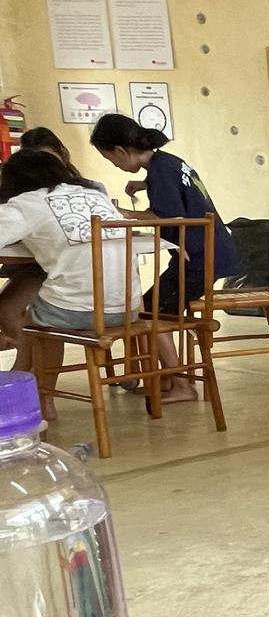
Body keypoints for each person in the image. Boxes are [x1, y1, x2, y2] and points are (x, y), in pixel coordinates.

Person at [90, 114, 243, 402]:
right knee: (151, 308)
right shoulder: (167, 162)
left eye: (111, 160)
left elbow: (169, 217)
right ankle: (168, 377)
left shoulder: (160, 171)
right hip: (211, 251)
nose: (115, 165)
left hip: (199, 258)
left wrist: (127, 214)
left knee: (150, 313)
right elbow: (179, 190)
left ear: (121, 151)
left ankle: (181, 384)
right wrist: (144, 184)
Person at [0, 150, 130, 417]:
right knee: (41, 310)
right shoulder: (96, 196)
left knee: (37, 322)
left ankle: (41, 398)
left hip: (80, 311)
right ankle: (27, 383)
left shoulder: (27, 203)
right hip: (128, 308)